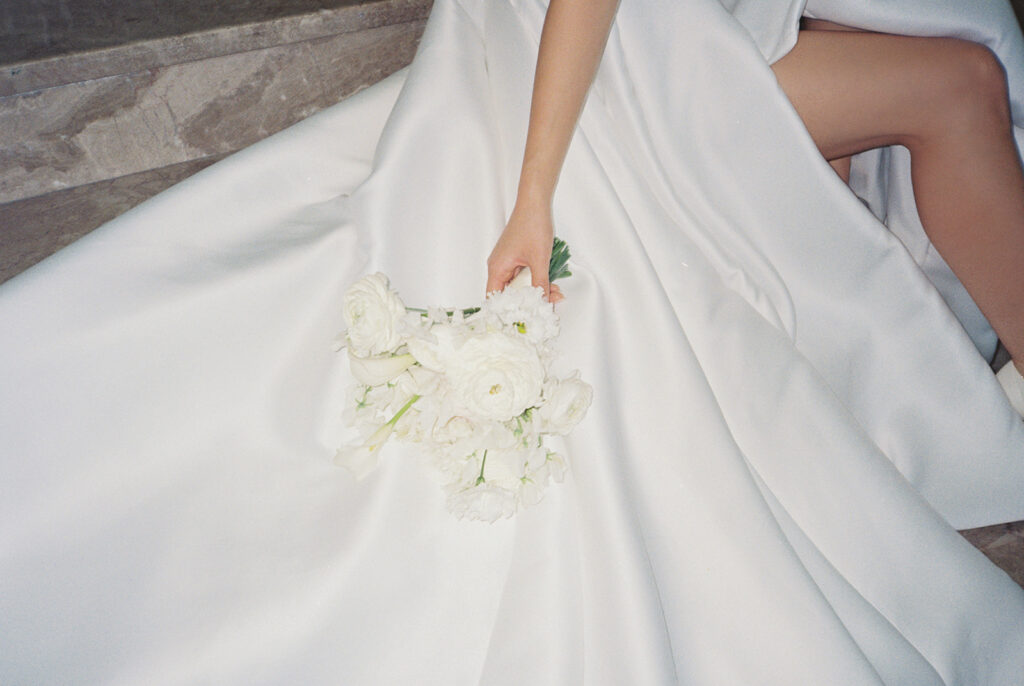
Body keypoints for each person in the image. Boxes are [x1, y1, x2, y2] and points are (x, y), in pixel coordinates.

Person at [1, 0, 1024, 683]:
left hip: (650, 39)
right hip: (619, 62)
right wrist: (535, 193)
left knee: (951, 81)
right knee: (957, 85)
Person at [486, 0, 1024, 415]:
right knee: (961, 85)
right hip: (635, 63)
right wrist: (535, 195)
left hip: (713, 30)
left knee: (946, 64)